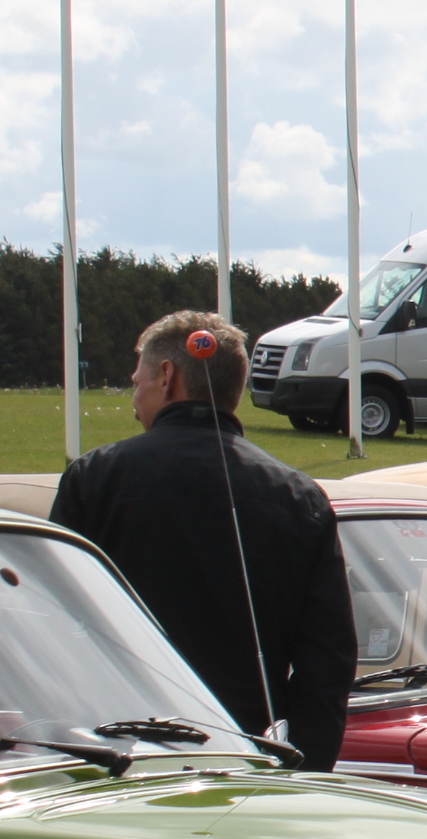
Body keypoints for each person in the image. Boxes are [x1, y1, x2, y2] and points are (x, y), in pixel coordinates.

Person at [50, 311, 356, 768]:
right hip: (248, 759)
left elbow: (54, 619)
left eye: (137, 382)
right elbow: (328, 658)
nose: (134, 397)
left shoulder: (95, 478)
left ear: (167, 376)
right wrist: (306, 767)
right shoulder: (298, 496)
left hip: (116, 755)